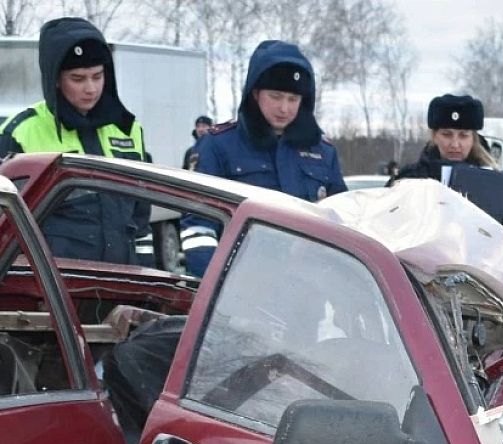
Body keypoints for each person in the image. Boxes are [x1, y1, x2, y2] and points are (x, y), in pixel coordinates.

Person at [182, 40, 346, 276]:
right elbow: (198, 226)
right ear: (256, 93)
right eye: (276, 96)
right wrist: (209, 286)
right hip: (240, 289)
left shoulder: (323, 152)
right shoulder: (218, 145)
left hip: (308, 292)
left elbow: (343, 223)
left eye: (293, 99)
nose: (284, 108)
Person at [0, 17, 152, 265]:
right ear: (55, 80)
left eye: (97, 75)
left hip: (124, 280)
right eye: (78, 79)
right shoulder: (21, 132)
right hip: (55, 289)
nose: (91, 88)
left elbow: (142, 219)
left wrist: (150, 283)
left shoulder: (128, 130)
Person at [390, 94, 503, 244]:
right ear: (434, 136)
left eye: (463, 136)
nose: (455, 144)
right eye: (447, 134)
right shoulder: (408, 179)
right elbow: (385, 226)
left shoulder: (499, 186)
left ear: (473, 138)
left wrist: (489, 240)